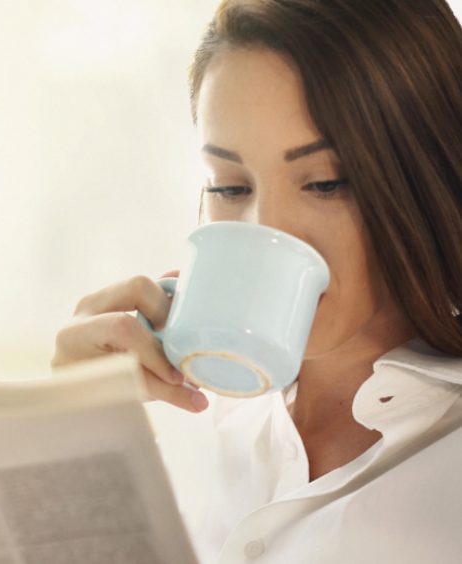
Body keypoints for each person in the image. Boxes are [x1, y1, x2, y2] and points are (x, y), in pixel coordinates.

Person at [52, 0, 462, 562]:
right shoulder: (174, 423)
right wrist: (64, 435)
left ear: (429, 177)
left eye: (324, 183)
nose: (265, 229)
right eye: (230, 187)